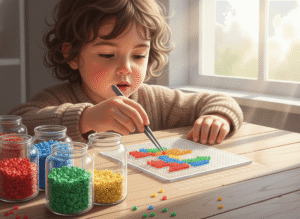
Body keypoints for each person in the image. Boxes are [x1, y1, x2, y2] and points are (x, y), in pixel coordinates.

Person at [8, 0, 243, 145]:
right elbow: (17, 125)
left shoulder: (156, 101)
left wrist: (217, 117)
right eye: (108, 55)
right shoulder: (57, 99)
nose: (126, 68)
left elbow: (219, 101)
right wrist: (87, 118)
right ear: (72, 55)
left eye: (139, 55)